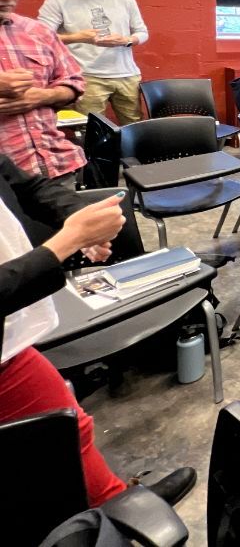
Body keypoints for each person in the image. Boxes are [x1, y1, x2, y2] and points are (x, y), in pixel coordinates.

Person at [0, 170, 196, 509]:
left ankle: (119, 504)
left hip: (10, 337)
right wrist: (67, 242)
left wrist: (80, 219)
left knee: (70, 429)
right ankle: (119, 513)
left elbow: (26, 184)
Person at [0, 0, 86, 186]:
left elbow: (74, 83)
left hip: (55, 167)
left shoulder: (38, 32)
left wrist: (41, 96)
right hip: (5, 181)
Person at [37, 0, 149, 124]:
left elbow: (142, 32)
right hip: (87, 76)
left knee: (135, 124)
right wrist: (78, 37)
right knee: (91, 128)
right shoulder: (58, 1)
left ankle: (131, 153)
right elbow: (41, 37)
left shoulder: (125, 1)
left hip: (127, 74)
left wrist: (127, 40)